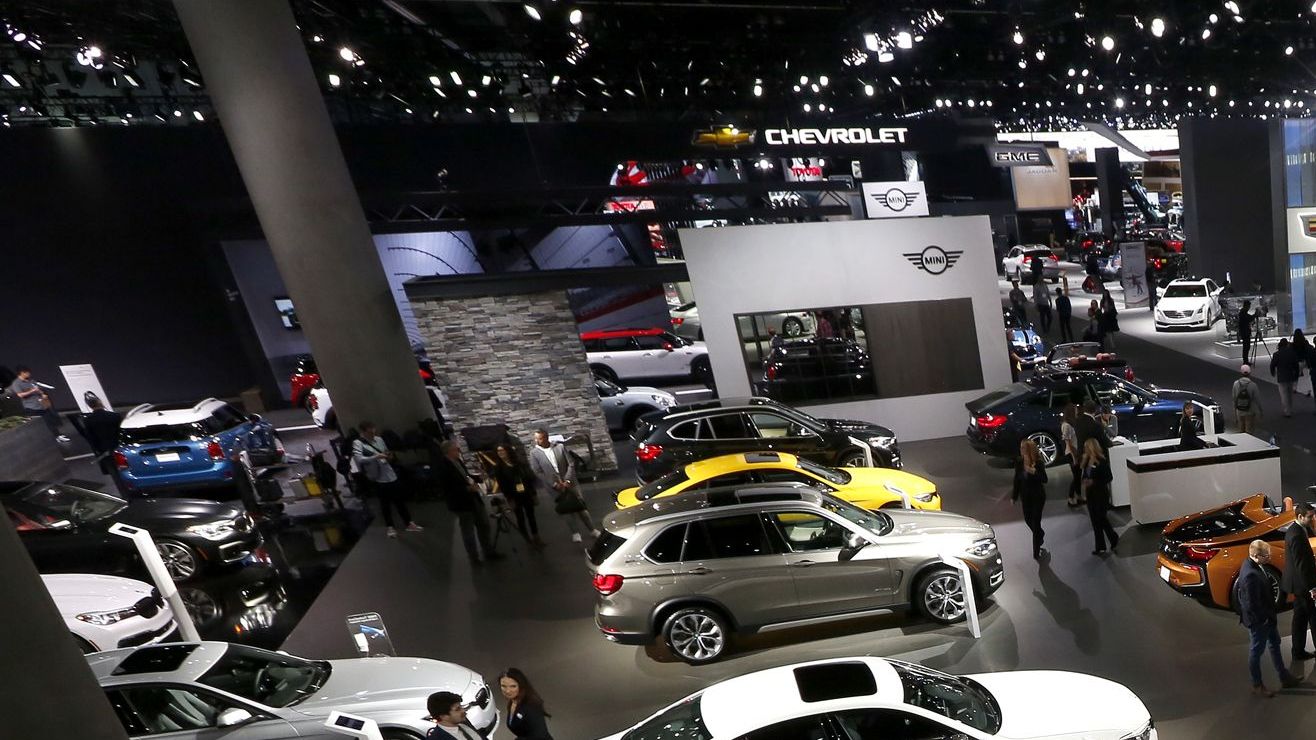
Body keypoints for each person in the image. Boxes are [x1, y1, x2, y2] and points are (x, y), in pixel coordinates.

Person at [1236, 540, 1301, 697]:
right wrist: (1263, 620)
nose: (1269, 558)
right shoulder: (1250, 575)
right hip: (1260, 622)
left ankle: (1284, 677)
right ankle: (1257, 685)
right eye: (1266, 555)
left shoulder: (1252, 564)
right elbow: (1250, 604)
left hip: (1267, 618)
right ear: (1256, 555)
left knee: (1275, 644)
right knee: (1256, 652)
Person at [352, 422, 423, 539]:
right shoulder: (358, 443)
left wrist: (389, 456)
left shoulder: (379, 439)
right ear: (363, 432)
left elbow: (386, 450)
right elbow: (359, 459)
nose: (372, 434)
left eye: (373, 431)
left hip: (390, 473)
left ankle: (409, 523)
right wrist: (376, 457)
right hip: (378, 477)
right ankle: (390, 527)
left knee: (399, 501)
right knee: (385, 504)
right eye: (369, 432)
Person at [528, 429, 599, 544]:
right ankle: (575, 532)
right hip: (554, 486)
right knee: (566, 509)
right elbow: (537, 471)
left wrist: (567, 480)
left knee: (580, 506)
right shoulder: (534, 453)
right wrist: (554, 483)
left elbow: (571, 463)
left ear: (546, 437)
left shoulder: (559, 447)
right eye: (535, 438)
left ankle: (592, 530)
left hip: (570, 482)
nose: (537, 441)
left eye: (539, 438)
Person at [436, 440, 501, 563]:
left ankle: (488, 551)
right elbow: (447, 487)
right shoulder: (442, 466)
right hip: (461, 503)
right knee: (468, 531)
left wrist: (478, 478)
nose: (458, 451)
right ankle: (474, 557)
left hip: (473, 499)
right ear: (449, 451)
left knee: (484, 525)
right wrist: (467, 489)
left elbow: (465, 476)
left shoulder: (458, 461)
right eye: (456, 449)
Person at [491, 444, 546, 548]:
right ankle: (527, 539)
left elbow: (528, 478)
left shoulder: (519, 463)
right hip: (514, 495)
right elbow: (502, 485)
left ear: (508, 451)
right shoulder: (498, 468)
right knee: (520, 517)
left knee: (531, 516)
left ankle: (536, 537)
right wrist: (509, 498)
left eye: (502, 450)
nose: (500, 453)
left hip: (526, 492)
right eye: (498, 451)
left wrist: (533, 493)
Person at [1281, 503, 1316, 662]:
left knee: (1300, 618)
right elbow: (1301, 565)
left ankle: (1298, 651)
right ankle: (1298, 651)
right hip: (1302, 585)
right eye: (1309, 516)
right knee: (1312, 617)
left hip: (1298, 584)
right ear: (1300, 516)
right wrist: (1312, 588)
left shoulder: (1296, 529)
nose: (1312, 519)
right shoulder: (1296, 535)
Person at [5, 366, 70, 443]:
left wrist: (42, 394)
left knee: (51, 417)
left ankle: (58, 435)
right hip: (31, 407)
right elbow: (20, 395)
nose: (29, 374)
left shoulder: (31, 381)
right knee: (46, 419)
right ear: (22, 373)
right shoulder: (16, 383)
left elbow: (38, 390)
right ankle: (56, 436)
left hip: (41, 404)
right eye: (27, 372)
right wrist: (32, 391)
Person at [1080, 437, 1119, 555]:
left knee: (1101, 518)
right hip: (1090, 494)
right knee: (1094, 520)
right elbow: (1085, 475)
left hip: (1101, 494)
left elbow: (1109, 477)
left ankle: (1112, 537)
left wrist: (1094, 482)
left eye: (1087, 448)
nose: (1085, 450)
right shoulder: (1086, 461)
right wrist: (1085, 481)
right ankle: (1100, 546)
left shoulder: (1101, 461)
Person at [1012, 439, 1048, 560]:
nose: (1021, 450)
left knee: (1036, 522)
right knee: (1028, 520)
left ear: (1029, 449)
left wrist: (1033, 472)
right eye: (1021, 447)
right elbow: (1017, 480)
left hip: (1038, 496)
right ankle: (1040, 534)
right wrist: (1014, 496)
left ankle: (1036, 551)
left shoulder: (1038, 463)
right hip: (1025, 497)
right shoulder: (1019, 462)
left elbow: (1044, 479)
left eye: (1023, 448)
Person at [499, 668, 554, 740]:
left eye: (513, 686)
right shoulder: (513, 702)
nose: (508, 691)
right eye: (503, 686)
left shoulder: (531, 706)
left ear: (521, 685)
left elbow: (540, 736)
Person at [78, 396, 123, 477]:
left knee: (113, 472)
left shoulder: (88, 420)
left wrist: (97, 450)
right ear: (101, 403)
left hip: (104, 450)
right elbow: (121, 431)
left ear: (90, 406)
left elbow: (91, 438)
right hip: (118, 447)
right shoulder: (115, 416)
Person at [1270, 338, 1300, 418]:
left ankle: (1287, 410)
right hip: (1290, 376)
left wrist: (1273, 372)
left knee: (1284, 394)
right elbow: (1296, 365)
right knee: (1290, 394)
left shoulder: (1276, 354)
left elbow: (1272, 365)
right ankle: (1290, 408)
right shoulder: (1292, 353)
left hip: (1281, 376)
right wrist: (1296, 375)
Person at [1060, 404, 1083, 507]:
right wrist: (1074, 457)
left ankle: (1079, 496)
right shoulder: (1066, 425)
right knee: (1076, 476)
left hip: (1076, 451)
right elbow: (1068, 442)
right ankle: (1071, 497)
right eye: (1075, 411)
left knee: (1078, 476)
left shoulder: (1073, 424)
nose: (1077, 412)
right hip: (1071, 453)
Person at [1232, 364, 1262, 434]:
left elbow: (1234, 399)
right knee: (1249, 432)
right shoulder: (1253, 385)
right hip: (1250, 411)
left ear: (1241, 372)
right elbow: (1257, 399)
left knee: (1241, 432)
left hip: (1239, 410)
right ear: (1250, 373)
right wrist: (1260, 411)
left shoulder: (1236, 383)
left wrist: (1235, 414)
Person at [1238, 300, 1255, 365]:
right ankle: (1245, 361)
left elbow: (1249, 318)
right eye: (1249, 306)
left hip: (1245, 332)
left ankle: (1246, 361)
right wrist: (1254, 315)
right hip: (1245, 332)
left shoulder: (1243, 312)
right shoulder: (1243, 313)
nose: (1249, 308)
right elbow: (1248, 318)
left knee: (1246, 347)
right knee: (1246, 347)